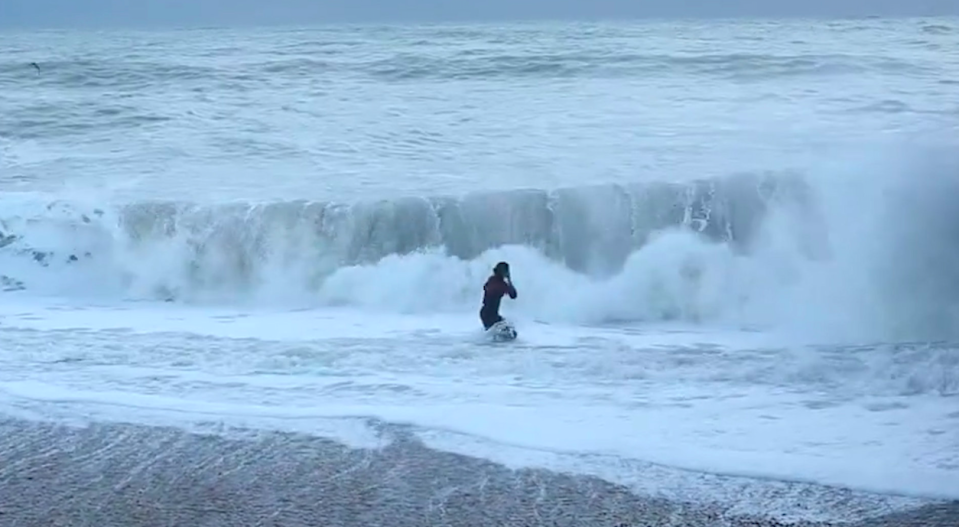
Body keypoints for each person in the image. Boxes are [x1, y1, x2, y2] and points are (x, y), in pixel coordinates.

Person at [480, 261, 517, 330]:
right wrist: (509, 280)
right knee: (510, 334)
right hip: (490, 315)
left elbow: (485, 287)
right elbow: (513, 295)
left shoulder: (491, 279)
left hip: (486, 313)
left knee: (507, 333)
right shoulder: (501, 284)